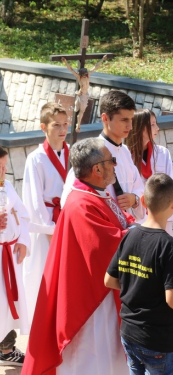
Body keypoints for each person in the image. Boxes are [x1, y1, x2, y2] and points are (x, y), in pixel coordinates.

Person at [22, 138, 133, 375]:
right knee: (95, 358)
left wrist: (134, 228)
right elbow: (104, 245)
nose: (115, 165)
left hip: (102, 294)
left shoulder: (96, 193)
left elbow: (120, 221)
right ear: (97, 169)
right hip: (92, 302)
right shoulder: (81, 202)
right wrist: (140, 234)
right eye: (111, 161)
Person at [105, 173, 173, 375]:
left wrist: (139, 284)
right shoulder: (170, 247)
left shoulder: (130, 235)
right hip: (159, 339)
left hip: (129, 332)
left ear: (144, 201)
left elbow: (109, 280)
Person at [62, 90, 145, 221]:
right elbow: (72, 197)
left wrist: (134, 199)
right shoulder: (92, 152)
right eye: (124, 120)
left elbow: (139, 187)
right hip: (103, 227)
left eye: (131, 120)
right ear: (105, 118)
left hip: (127, 228)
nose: (130, 126)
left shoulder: (125, 152)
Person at [22, 102, 69, 326]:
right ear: (43, 127)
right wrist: (50, 231)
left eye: (65, 124)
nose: (62, 130)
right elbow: (33, 200)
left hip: (68, 221)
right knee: (43, 275)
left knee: (67, 278)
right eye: (56, 125)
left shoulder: (72, 153)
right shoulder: (36, 158)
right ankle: (40, 327)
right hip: (47, 226)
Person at [125, 108, 173, 234]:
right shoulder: (126, 155)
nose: (157, 128)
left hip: (162, 215)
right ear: (139, 127)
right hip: (138, 217)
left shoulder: (162, 153)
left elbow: (169, 184)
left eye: (156, 124)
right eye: (152, 124)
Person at [0, 146, 31, 367]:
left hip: (9, 255)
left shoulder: (8, 186)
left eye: (4, 167)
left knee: (10, 303)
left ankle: (6, 348)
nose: (3, 173)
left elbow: (23, 216)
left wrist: (22, 242)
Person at [61, 55, 108, 132]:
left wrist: (102, 59)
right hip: (81, 94)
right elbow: (71, 70)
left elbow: (95, 67)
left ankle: (78, 125)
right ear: (82, 74)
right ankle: (77, 120)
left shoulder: (88, 75)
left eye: (86, 73)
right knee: (76, 109)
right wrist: (65, 61)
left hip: (85, 95)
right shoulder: (79, 77)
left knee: (81, 111)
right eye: (84, 74)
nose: (85, 75)